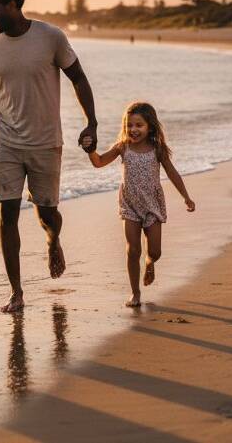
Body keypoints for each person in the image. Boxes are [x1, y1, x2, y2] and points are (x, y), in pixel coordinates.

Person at [0, 0, 98, 313]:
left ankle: (52, 239)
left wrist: (91, 121)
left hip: (45, 142)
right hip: (5, 141)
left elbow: (78, 78)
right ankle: (16, 292)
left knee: (47, 213)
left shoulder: (51, 38)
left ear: (12, 4)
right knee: (7, 213)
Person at [86, 101, 195, 307]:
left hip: (152, 204)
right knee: (132, 249)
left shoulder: (157, 149)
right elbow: (98, 162)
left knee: (155, 252)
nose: (133, 130)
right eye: (129, 125)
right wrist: (90, 149)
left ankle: (150, 262)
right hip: (130, 204)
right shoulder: (122, 147)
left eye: (139, 125)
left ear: (150, 126)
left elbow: (172, 173)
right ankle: (135, 293)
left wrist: (186, 196)